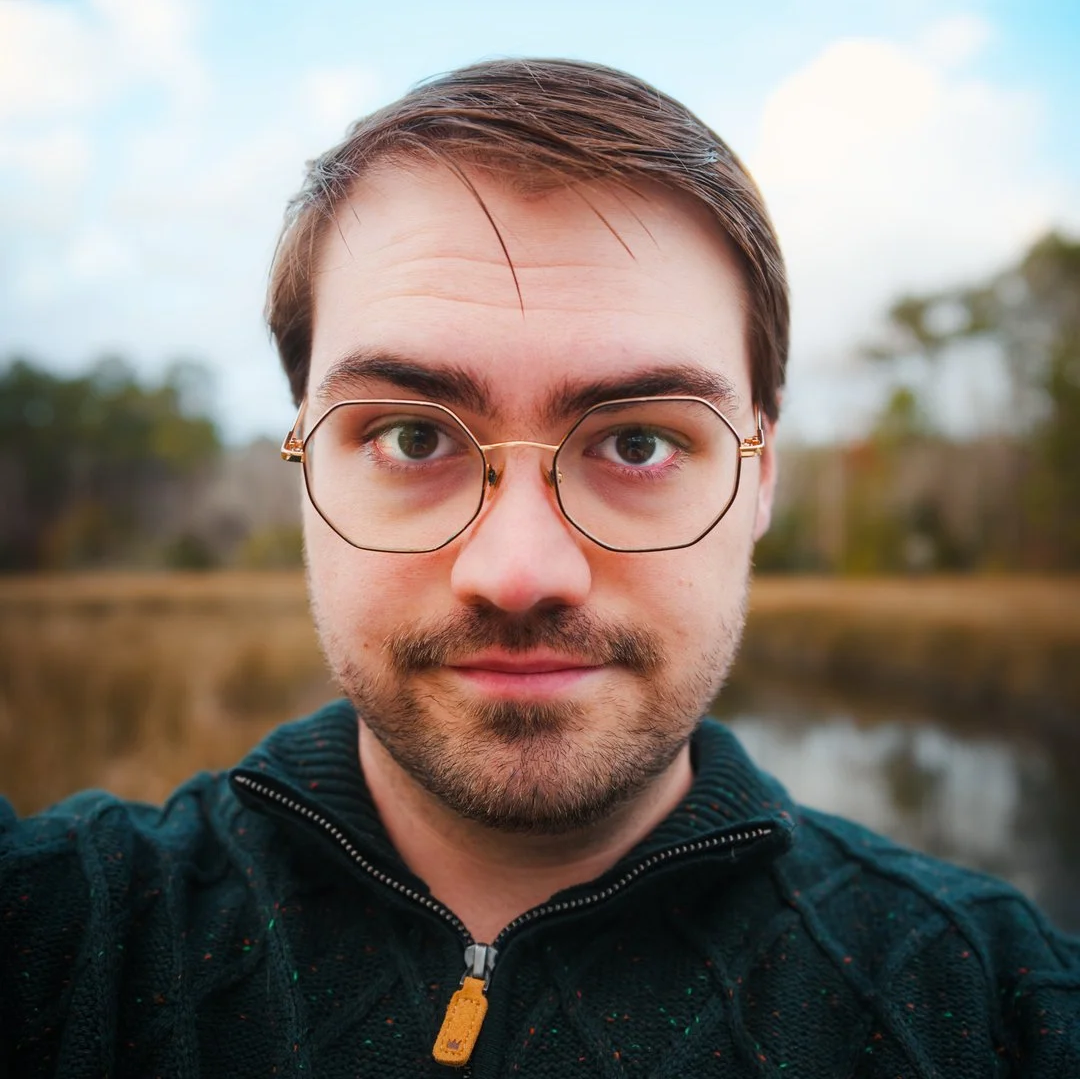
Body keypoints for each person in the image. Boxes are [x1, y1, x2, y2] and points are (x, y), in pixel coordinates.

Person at [2, 58, 1078, 1079]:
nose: (519, 573)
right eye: (414, 438)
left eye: (640, 443)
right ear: (304, 466)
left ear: (759, 479)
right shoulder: (57, 932)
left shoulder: (996, 1007)